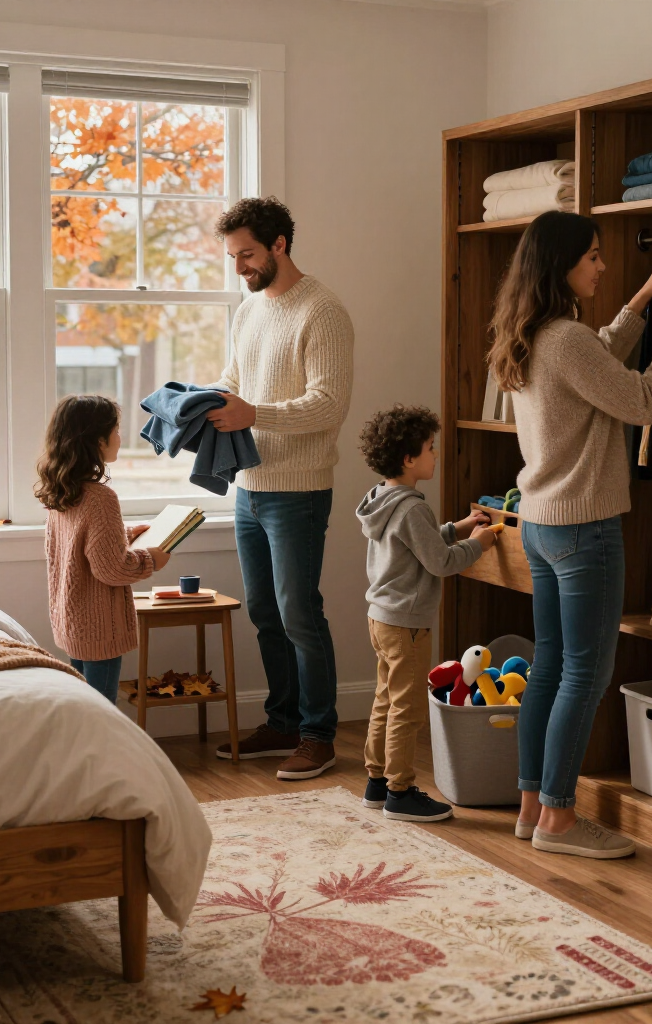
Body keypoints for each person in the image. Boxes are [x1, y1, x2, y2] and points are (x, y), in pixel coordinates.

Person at [489, 210, 652, 858]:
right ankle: (560, 817)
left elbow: (598, 367)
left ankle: (533, 805)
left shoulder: (532, 334)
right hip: (584, 528)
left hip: (541, 525)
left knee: (554, 666)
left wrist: (643, 303)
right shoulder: (567, 339)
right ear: (563, 264)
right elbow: (640, 401)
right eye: (593, 256)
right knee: (585, 673)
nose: (603, 266)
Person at [207, 197, 354, 781]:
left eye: (246, 255)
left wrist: (252, 414)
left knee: (300, 612)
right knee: (265, 612)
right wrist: (203, 401)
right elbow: (235, 381)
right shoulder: (248, 312)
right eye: (232, 257)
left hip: (299, 488)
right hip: (250, 486)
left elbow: (329, 404)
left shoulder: (323, 311)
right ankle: (284, 719)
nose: (239, 267)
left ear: (279, 245)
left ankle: (319, 735)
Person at [356, 405, 494, 821]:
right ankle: (400, 792)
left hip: (381, 617)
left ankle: (377, 782)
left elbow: (416, 545)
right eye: (431, 448)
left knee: (386, 700)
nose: (436, 455)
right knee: (408, 708)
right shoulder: (414, 506)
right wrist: (480, 544)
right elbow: (440, 563)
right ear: (408, 459)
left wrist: (459, 527)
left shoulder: (383, 499)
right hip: (407, 625)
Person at [36, 395, 170, 702]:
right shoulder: (100, 497)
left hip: (72, 621)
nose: (120, 439)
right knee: (102, 708)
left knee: (86, 706)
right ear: (98, 441)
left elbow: (77, 545)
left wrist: (123, 533)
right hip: (99, 627)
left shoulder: (61, 492)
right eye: (117, 431)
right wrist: (152, 559)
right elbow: (112, 568)